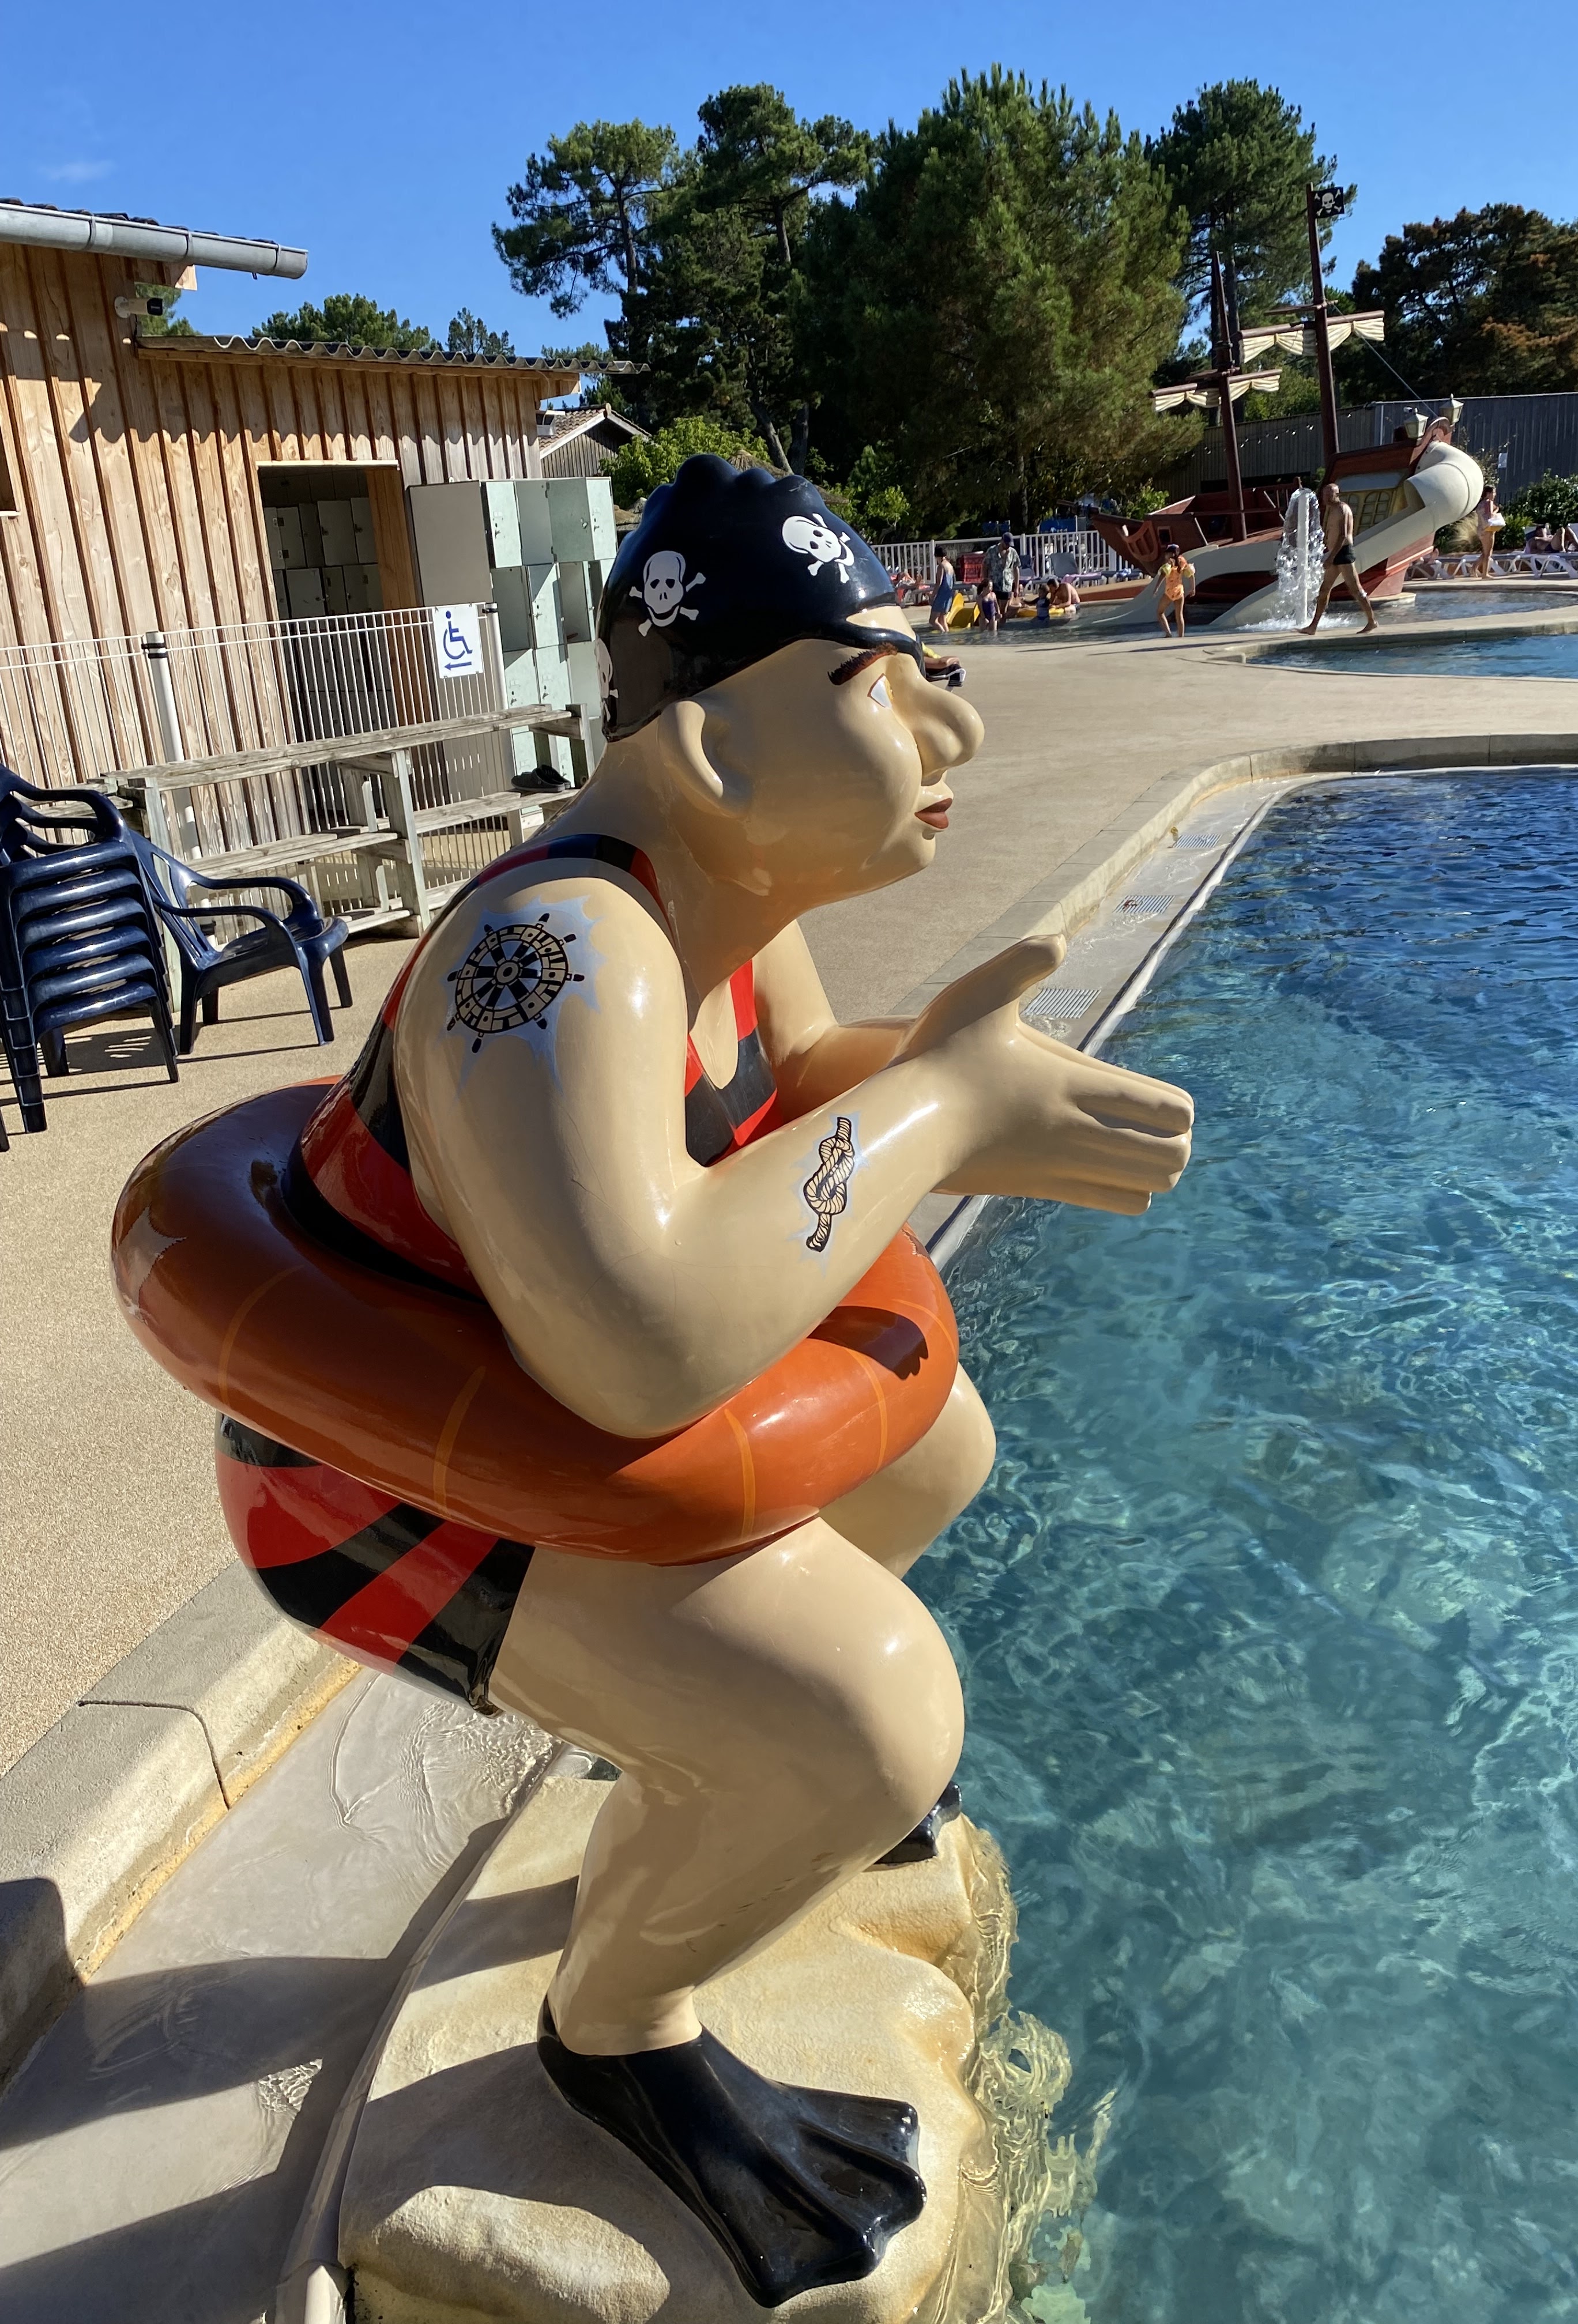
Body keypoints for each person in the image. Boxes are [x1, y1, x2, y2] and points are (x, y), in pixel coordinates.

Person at [140, 458, 1193, 2306]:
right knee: (875, 1712)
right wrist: (943, 1111)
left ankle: (713, 1764)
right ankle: (621, 2026)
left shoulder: (731, 902)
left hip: (538, 1430)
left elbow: (797, 1089)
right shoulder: (559, 957)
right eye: (881, 682)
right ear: (708, 746)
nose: (954, 721)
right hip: (390, 1488)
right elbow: (632, 1347)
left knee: (934, 1448)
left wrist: (960, 1079)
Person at [1305, 480, 1377, 634]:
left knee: (1356, 590)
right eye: (1324, 494)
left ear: (1337, 494)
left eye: (1329, 494)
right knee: (1324, 590)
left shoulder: (1342, 509)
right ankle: (1313, 626)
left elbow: (1343, 536)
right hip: (1334, 553)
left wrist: (1331, 558)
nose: (1326, 497)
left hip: (1343, 553)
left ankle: (1372, 621)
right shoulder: (1331, 510)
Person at [1157, 541, 1193, 637]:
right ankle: (1181, 637)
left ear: (1171, 554)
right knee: (1179, 616)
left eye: (1167, 553)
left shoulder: (1169, 563)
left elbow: (1163, 575)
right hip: (1180, 591)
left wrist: (1156, 588)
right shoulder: (1182, 561)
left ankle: (1168, 633)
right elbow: (1191, 574)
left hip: (1170, 591)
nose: (1166, 555)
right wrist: (1193, 588)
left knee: (1160, 612)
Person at [991, 528, 1020, 622]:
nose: (1008, 546)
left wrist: (1016, 587)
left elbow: (1016, 569)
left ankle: (1002, 627)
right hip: (994, 584)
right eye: (1006, 544)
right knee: (994, 609)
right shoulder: (992, 551)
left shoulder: (1013, 552)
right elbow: (985, 565)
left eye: (1009, 545)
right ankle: (994, 626)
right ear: (1002, 541)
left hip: (1007, 585)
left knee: (1004, 610)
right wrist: (986, 580)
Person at [1475, 482, 1505, 576]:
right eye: (1494, 493)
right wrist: (1497, 510)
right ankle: (1485, 574)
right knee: (1488, 552)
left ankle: (1474, 568)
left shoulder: (1481, 504)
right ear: (1488, 494)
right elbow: (1490, 515)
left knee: (1485, 551)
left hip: (1481, 529)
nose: (1495, 495)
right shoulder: (1489, 502)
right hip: (1488, 529)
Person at [930, 547, 957, 633]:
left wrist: (933, 596)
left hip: (941, 596)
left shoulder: (941, 566)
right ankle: (947, 636)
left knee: (933, 621)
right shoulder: (950, 566)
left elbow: (939, 583)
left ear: (937, 556)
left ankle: (942, 635)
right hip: (948, 596)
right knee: (942, 619)